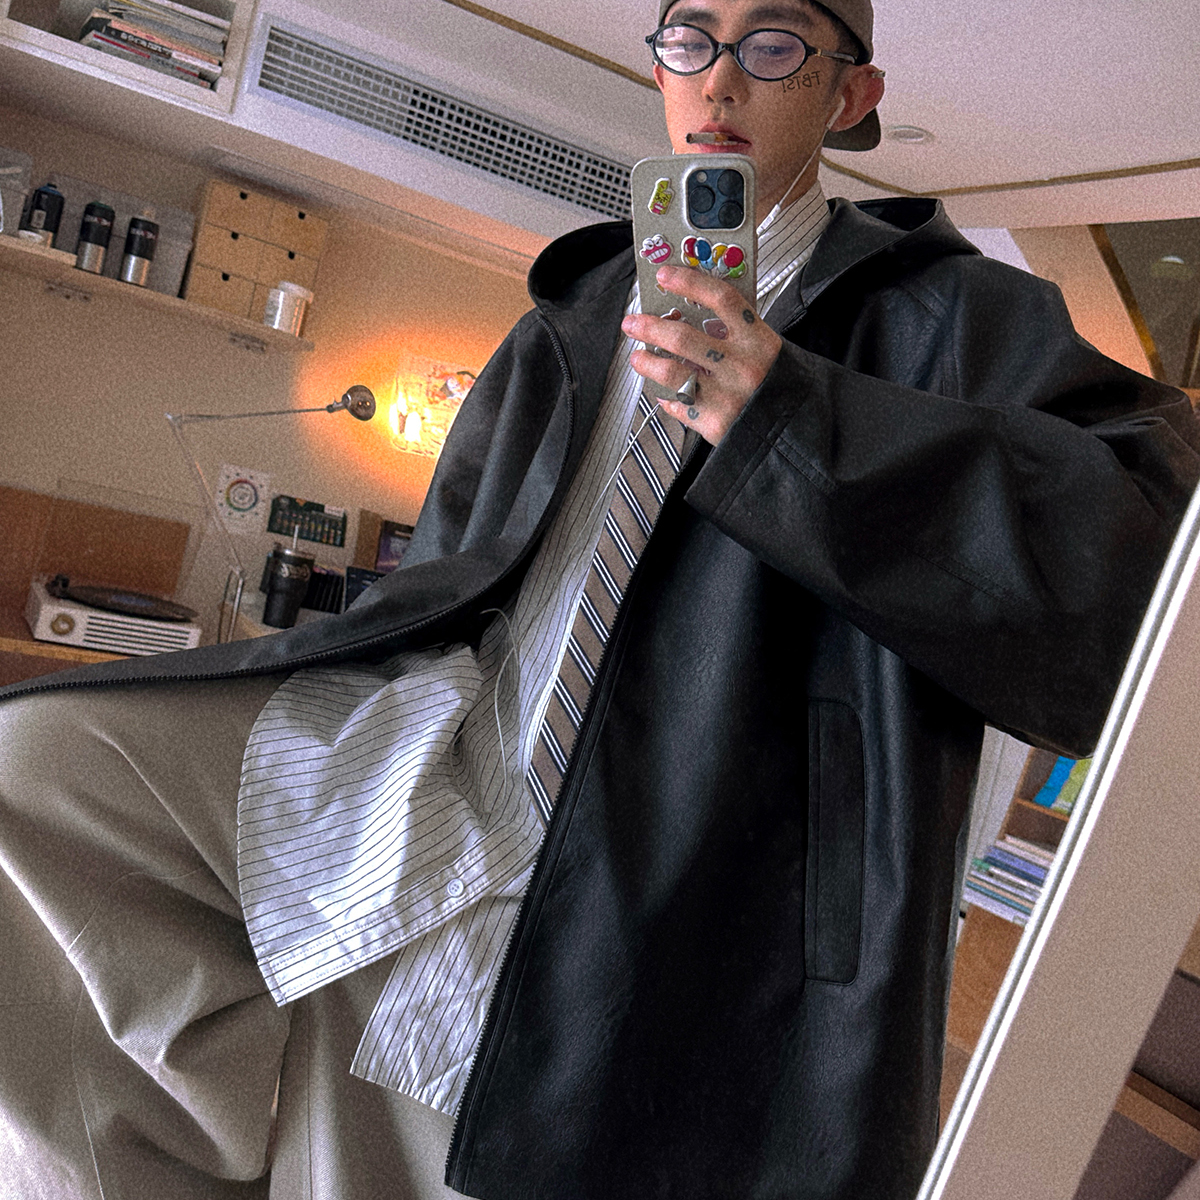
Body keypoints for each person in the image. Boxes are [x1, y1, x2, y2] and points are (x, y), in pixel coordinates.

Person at [2, 0, 1198, 1197]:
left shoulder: (961, 321)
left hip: (690, 870)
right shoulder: (572, 319)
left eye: (772, 46)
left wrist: (789, 416)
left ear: (850, 97)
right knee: (42, 769)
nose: (719, 80)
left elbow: (1147, 594)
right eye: (690, 40)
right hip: (446, 776)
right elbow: (447, 577)